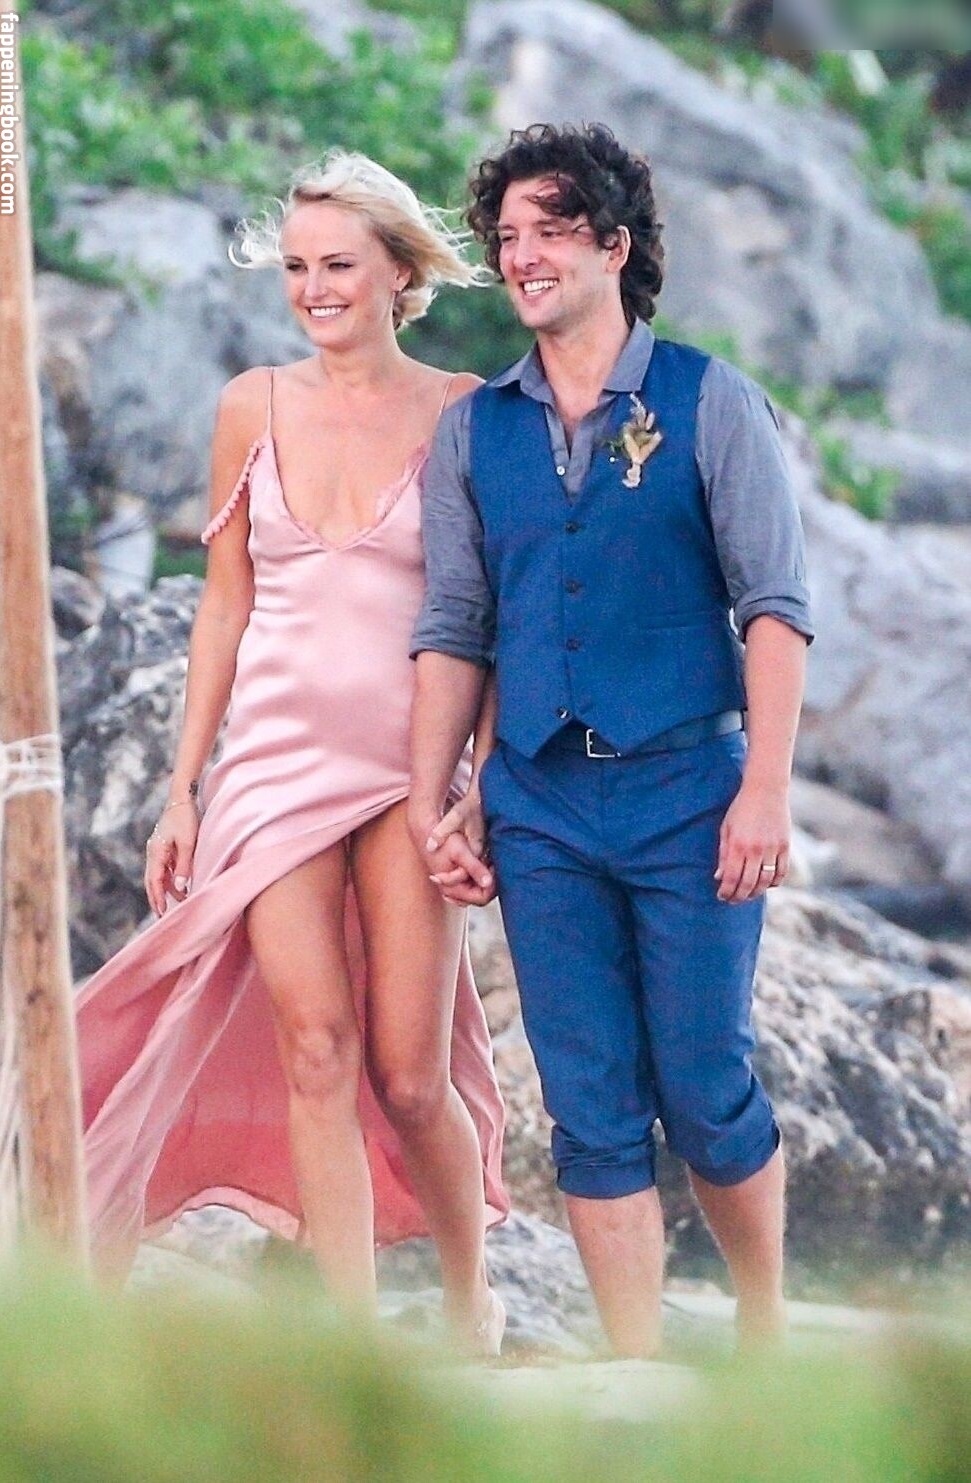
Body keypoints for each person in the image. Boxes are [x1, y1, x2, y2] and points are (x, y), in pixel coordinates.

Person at [76, 151, 508, 1352]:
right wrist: (181, 789)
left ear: (400, 274)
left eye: (339, 266)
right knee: (316, 1047)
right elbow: (224, 603)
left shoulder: (465, 411)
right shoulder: (249, 405)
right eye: (298, 267)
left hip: (412, 770)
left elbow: (490, 617)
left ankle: (472, 1296)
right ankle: (353, 1343)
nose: (314, 289)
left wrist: (477, 782)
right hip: (271, 768)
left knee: (410, 1075)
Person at [408, 123, 814, 1357]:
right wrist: (441, 798)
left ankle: (763, 1333)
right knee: (586, 1101)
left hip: (691, 788)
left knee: (704, 1084)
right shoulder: (474, 430)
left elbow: (774, 606)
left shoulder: (709, 400)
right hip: (537, 802)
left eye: (551, 230)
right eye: (506, 236)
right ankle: (636, 1371)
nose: (521, 256)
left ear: (615, 246)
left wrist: (764, 789)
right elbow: (457, 625)